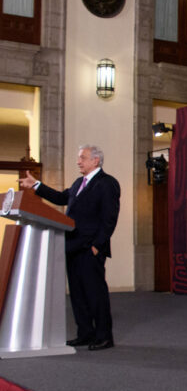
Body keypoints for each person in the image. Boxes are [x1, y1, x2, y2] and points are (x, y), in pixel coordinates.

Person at [19, 145, 121, 350]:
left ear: (96, 161)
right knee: (77, 293)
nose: (78, 161)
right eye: (78, 157)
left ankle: (103, 336)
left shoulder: (107, 183)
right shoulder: (78, 183)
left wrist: (97, 246)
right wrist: (36, 185)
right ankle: (85, 333)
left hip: (90, 248)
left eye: (82, 157)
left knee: (95, 293)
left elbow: (109, 219)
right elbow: (60, 198)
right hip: (72, 245)